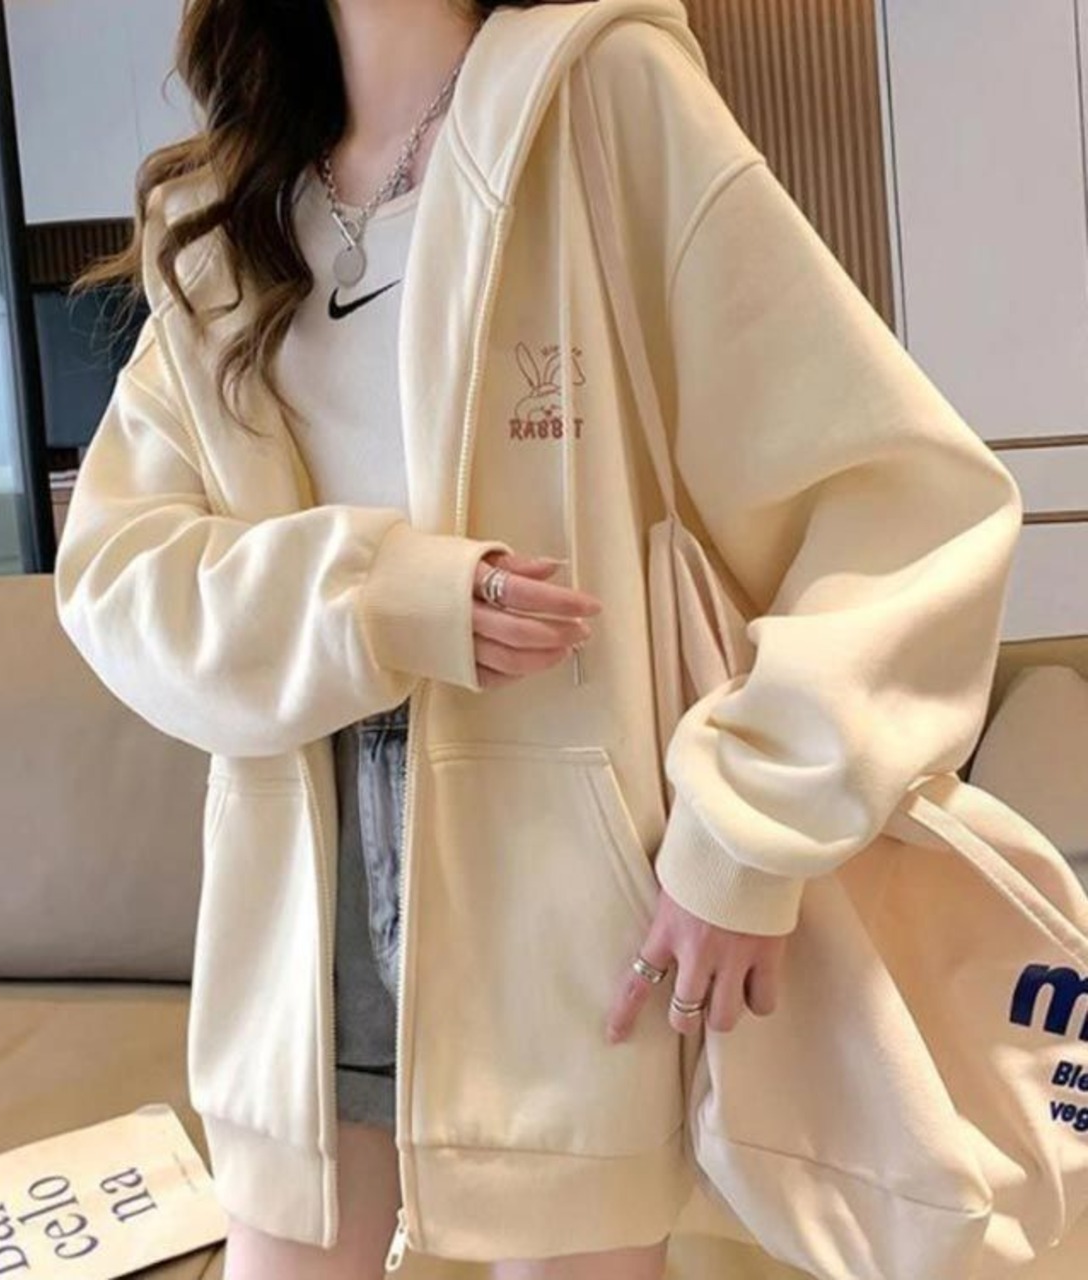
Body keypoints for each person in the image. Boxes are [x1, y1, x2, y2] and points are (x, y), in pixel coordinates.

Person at [54, 0, 1023, 1276]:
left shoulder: (606, 96)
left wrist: (743, 834)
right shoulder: (224, 215)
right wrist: (382, 595)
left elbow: (901, 502)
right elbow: (114, 575)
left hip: (565, 890)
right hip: (294, 890)